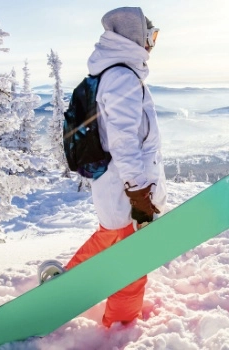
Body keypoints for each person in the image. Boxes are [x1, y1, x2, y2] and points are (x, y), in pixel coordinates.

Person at [64, 6, 166, 328]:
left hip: (114, 185)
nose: (153, 43)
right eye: (151, 35)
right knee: (131, 265)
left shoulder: (113, 73)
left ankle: (64, 286)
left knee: (110, 236)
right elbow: (124, 141)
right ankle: (120, 329)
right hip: (125, 188)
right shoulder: (122, 77)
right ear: (136, 37)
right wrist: (139, 193)